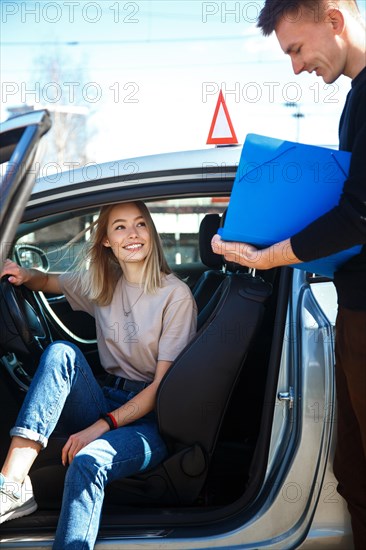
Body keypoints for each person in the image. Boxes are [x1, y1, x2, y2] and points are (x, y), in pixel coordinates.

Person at [212, 0, 366, 547]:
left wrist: (267, 255)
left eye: (296, 50)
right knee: (356, 477)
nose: (296, 68)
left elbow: (358, 213)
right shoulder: (356, 99)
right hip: (355, 310)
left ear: (333, 17)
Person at [0, 201, 197, 548]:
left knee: (88, 460)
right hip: (107, 396)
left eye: (140, 224)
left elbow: (160, 390)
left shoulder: (175, 296)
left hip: (151, 419)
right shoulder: (103, 284)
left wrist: (100, 426)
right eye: (120, 227)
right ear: (106, 240)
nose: (132, 234)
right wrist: (21, 273)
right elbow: (49, 280)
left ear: (151, 232)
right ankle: (12, 486)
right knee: (62, 353)